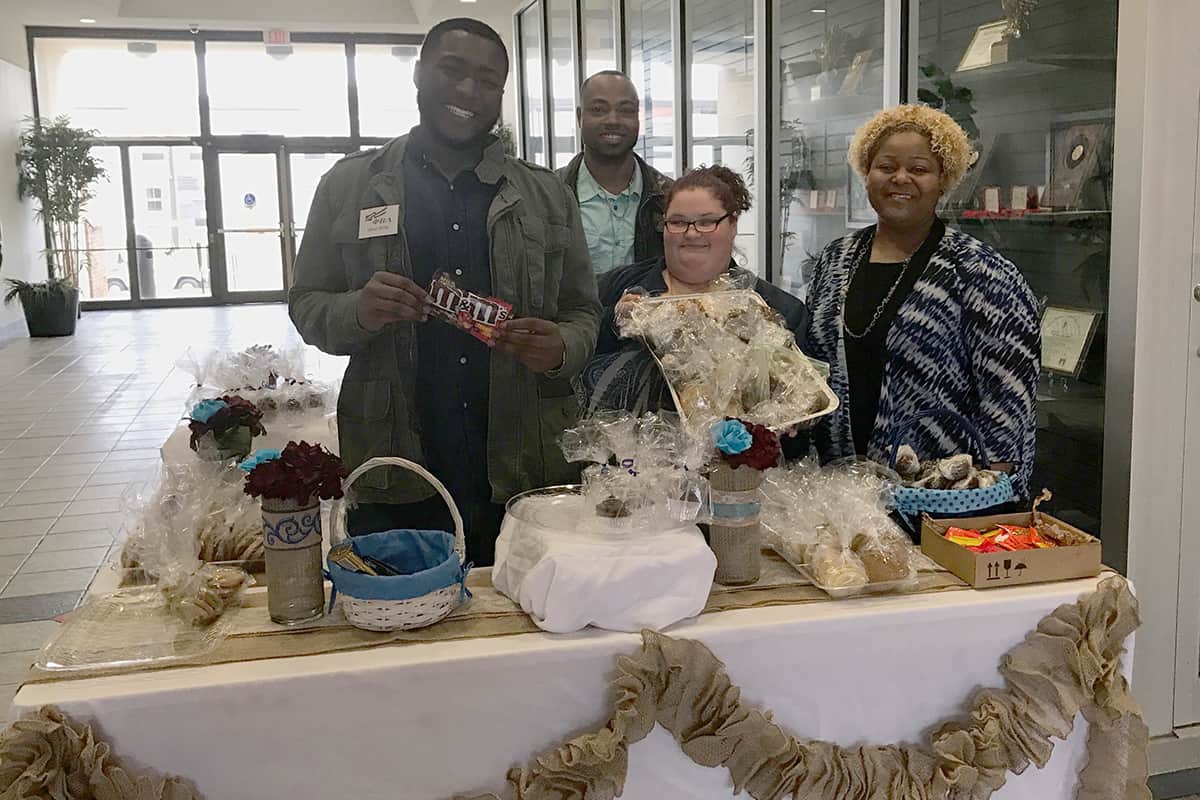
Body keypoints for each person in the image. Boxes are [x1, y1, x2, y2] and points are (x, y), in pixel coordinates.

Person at [289, 18, 600, 566]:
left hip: (520, 463)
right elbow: (307, 303)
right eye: (451, 71)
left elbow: (583, 313)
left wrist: (561, 349)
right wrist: (358, 310)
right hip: (398, 463)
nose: (467, 92)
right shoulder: (350, 185)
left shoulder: (547, 195)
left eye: (487, 81)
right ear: (418, 75)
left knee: (527, 626)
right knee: (403, 627)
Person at [805, 104, 1040, 495]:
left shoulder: (982, 272)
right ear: (867, 171)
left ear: (943, 179)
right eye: (886, 166)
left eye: (918, 168)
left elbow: (1008, 403)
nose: (900, 178)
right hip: (840, 493)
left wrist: (992, 496)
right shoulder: (834, 260)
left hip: (941, 497)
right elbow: (813, 371)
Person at [576, 164, 808, 418]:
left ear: (733, 224)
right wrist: (613, 322)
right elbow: (572, 357)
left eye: (707, 222)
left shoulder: (779, 311)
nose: (691, 233)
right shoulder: (617, 286)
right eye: (677, 222)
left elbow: (803, 409)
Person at [558, 71, 673, 274]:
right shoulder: (549, 195)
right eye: (598, 109)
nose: (613, 120)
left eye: (626, 110)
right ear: (579, 117)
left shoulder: (669, 197)